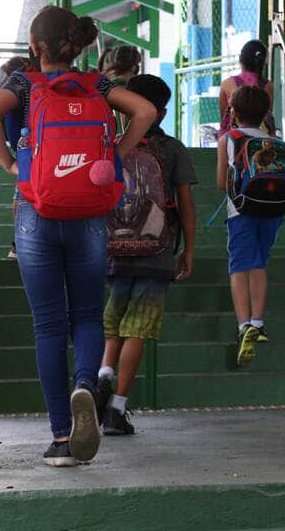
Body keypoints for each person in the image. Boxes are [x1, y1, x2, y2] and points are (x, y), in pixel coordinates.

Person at [0, 6, 157, 467]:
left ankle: (61, 438)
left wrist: (11, 165)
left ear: (35, 48)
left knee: (48, 325)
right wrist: (116, 153)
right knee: (88, 316)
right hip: (90, 214)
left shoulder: (22, 84)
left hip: (37, 211)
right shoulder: (97, 84)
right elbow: (146, 109)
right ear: (75, 47)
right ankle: (84, 383)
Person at [98, 74, 197, 436]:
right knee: (138, 328)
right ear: (164, 111)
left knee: (114, 323)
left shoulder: (110, 146)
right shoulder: (171, 150)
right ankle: (117, 409)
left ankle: (102, 376)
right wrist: (188, 249)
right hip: (156, 251)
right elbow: (185, 203)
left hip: (114, 248)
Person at [217, 85, 283, 366]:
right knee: (259, 263)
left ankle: (245, 325)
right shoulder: (273, 140)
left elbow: (222, 182)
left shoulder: (228, 139)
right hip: (273, 210)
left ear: (234, 112)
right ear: (265, 113)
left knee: (239, 266)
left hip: (241, 210)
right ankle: (259, 321)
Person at [0, 55, 38, 260]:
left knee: (23, 187)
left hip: (27, 152)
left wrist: (9, 163)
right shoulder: (23, 76)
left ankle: (20, 243)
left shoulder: (17, 77)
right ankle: (21, 242)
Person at [218, 40, 275, 138]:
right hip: (262, 138)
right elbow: (267, 113)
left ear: (240, 59)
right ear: (263, 62)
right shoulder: (268, 86)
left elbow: (224, 117)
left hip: (233, 138)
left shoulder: (227, 84)